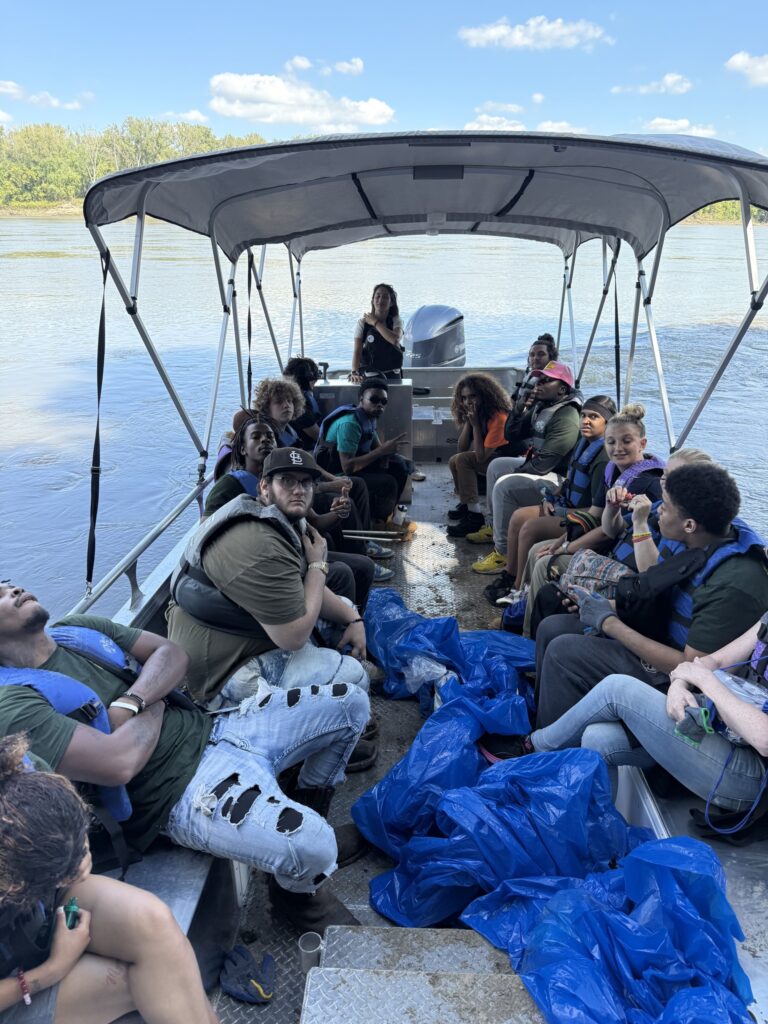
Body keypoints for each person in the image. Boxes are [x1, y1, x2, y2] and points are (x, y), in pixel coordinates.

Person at [0, 577, 369, 933]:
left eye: (9, 582)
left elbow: (174, 654)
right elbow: (119, 763)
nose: (13, 588)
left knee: (350, 704)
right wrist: (157, 696)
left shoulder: (78, 631)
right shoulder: (15, 704)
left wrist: (135, 701)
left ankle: (310, 808)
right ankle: (300, 899)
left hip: (218, 728)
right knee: (314, 845)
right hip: (182, 792)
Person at [0, 735, 218, 1024]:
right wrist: (51, 970)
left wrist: (79, 850)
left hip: (37, 904)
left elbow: (64, 822)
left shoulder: (16, 774)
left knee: (152, 923)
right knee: (134, 980)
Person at [534, 462, 768, 729]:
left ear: (689, 524)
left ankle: (550, 751)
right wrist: (598, 604)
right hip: (658, 635)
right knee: (552, 626)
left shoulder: (733, 584)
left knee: (563, 652)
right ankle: (544, 720)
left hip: (681, 683)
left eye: (665, 507)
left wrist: (608, 622)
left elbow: (691, 669)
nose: (657, 513)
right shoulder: (696, 534)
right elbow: (659, 595)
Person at [490, 614, 768, 820]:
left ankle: (532, 749)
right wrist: (679, 686)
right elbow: (713, 662)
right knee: (597, 738)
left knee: (617, 689)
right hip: (724, 731)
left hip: (752, 779)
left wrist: (706, 684)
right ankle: (601, 841)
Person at [510, 448, 710, 638]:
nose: (662, 481)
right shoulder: (660, 505)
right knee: (547, 587)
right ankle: (522, 618)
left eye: (671, 477)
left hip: (627, 588)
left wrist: (640, 523)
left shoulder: (682, 524)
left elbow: (652, 576)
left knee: (547, 569)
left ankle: (527, 636)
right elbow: (613, 529)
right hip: (613, 568)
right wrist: (612, 508)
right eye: (664, 475)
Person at [486, 401, 661, 603]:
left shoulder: (646, 483)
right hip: (603, 537)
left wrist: (567, 546)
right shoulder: (613, 470)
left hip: (624, 559)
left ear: (642, 444)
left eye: (627, 441)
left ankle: (523, 603)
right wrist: (563, 537)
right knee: (537, 548)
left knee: (541, 555)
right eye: (611, 442)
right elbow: (600, 516)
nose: (618, 448)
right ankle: (519, 590)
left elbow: (607, 533)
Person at [473, 394, 616, 583]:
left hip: (583, 520)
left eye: (594, 417)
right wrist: (550, 498)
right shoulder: (584, 444)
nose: (586, 421)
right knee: (517, 518)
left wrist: (561, 510)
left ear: (607, 423)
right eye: (584, 416)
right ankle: (510, 573)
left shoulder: (603, 458)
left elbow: (598, 511)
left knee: (529, 527)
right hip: (565, 504)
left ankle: (518, 587)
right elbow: (570, 481)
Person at [458, 361, 581, 545]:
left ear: (562, 389)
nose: (539, 385)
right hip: (540, 467)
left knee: (504, 484)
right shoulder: (541, 407)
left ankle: (503, 551)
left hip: (559, 480)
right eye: (538, 381)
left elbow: (543, 465)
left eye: (546, 381)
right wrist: (518, 408)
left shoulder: (567, 417)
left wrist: (515, 473)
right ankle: (493, 527)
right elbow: (512, 434)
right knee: (496, 466)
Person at [315, 379, 409, 526]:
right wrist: (382, 451)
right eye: (374, 400)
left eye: (383, 402)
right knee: (388, 483)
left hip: (354, 464)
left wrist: (389, 454)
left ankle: (383, 515)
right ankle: (375, 521)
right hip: (336, 472)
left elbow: (377, 447)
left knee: (401, 466)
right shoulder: (350, 424)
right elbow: (347, 467)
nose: (379, 405)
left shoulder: (369, 418)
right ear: (361, 400)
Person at [445, 373, 514, 537]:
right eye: (464, 398)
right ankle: (466, 502)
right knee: (454, 460)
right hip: (493, 458)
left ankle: (475, 516)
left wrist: (475, 425)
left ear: (485, 395)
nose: (468, 401)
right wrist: (470, 422)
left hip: (509, 461)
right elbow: (461, 448)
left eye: (473, 396)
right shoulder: (479, 415)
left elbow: (480, 458)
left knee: (464, 461)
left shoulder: (499, 417)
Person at [349, 284, 404, 381]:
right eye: (377, 296)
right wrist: (354, 372)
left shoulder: (396, 321)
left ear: (391, 303)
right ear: (373, 301)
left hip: (393, 374)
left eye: (385, 297)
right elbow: (357, 351)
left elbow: (395, 340)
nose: (380, 300)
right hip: (370, 374)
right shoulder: (362, 323)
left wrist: (375, 322)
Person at [508, 333, 559, 417]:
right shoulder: (529, 377)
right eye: (532, 355)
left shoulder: (554, 382)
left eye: (541, 354)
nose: (535, 358)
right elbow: (513, 400)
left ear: (551, 358)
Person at [284, 356, 324, 448]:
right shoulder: (300, 407)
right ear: (310, 380)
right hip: (304, 451)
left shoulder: (293, 397)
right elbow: (320, 438)